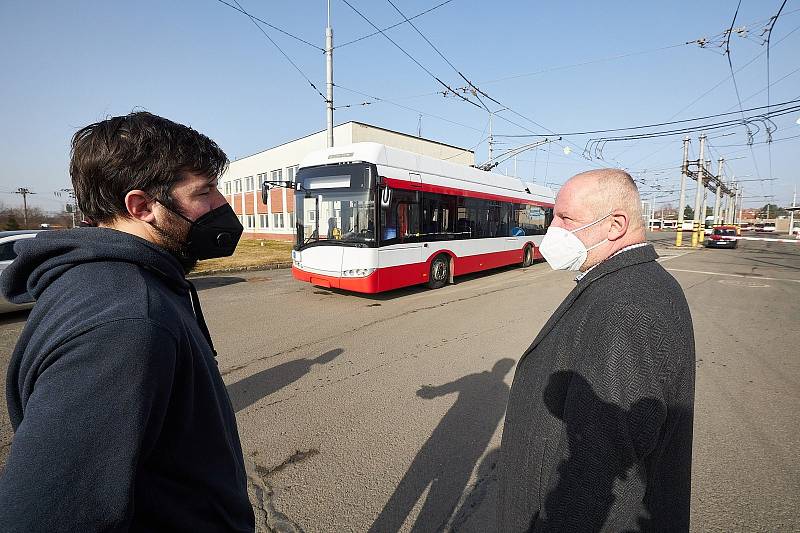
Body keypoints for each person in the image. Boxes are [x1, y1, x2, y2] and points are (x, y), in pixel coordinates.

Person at [0, 112, 254, 531]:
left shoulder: (114, 283)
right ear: (142, 206)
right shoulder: (126, 322)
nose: (221, 205)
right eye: (204, 191)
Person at [498, 169, 695, 532]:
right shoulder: (633, 283)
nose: (552, 230)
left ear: (615, 225)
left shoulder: (626, 304)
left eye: (565, 218)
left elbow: (601, 465)